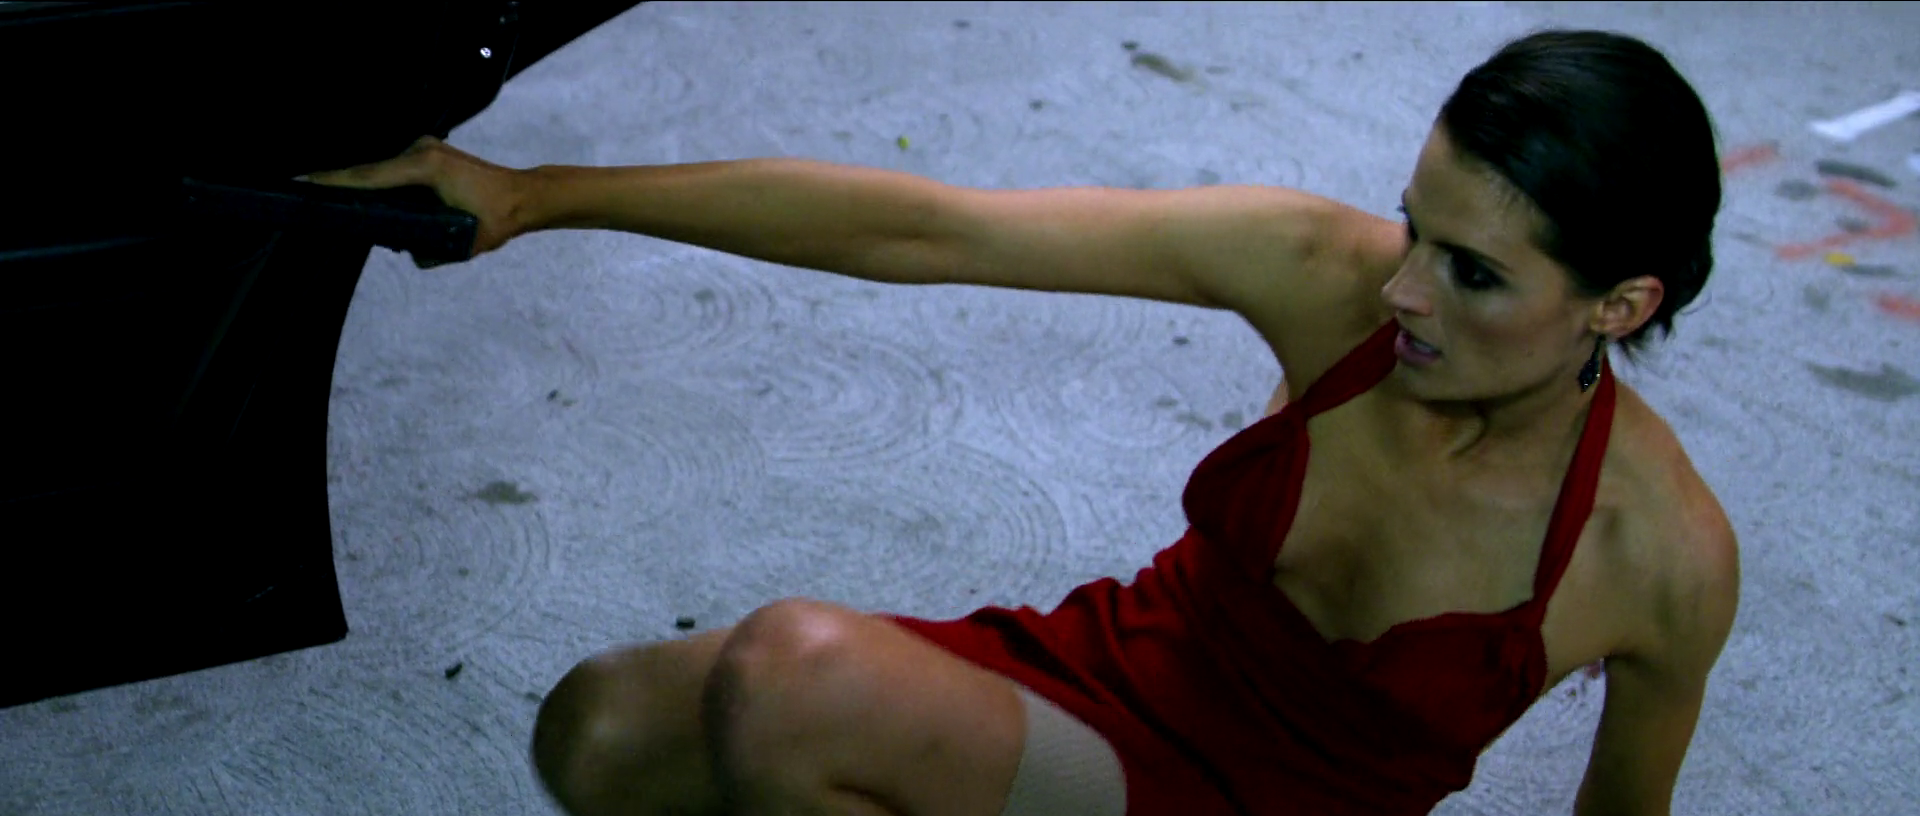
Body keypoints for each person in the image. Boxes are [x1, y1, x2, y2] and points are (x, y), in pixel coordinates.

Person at [308, 27, 1741, 816]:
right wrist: (539, 195)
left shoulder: (1661, 556)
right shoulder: (1327, 279)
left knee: (795, 681)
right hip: (1118, 692)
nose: (1404, 285)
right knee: (605, 734)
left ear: (1619, 304)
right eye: (1415, 224)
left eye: (1473, 272)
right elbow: (932, 228)